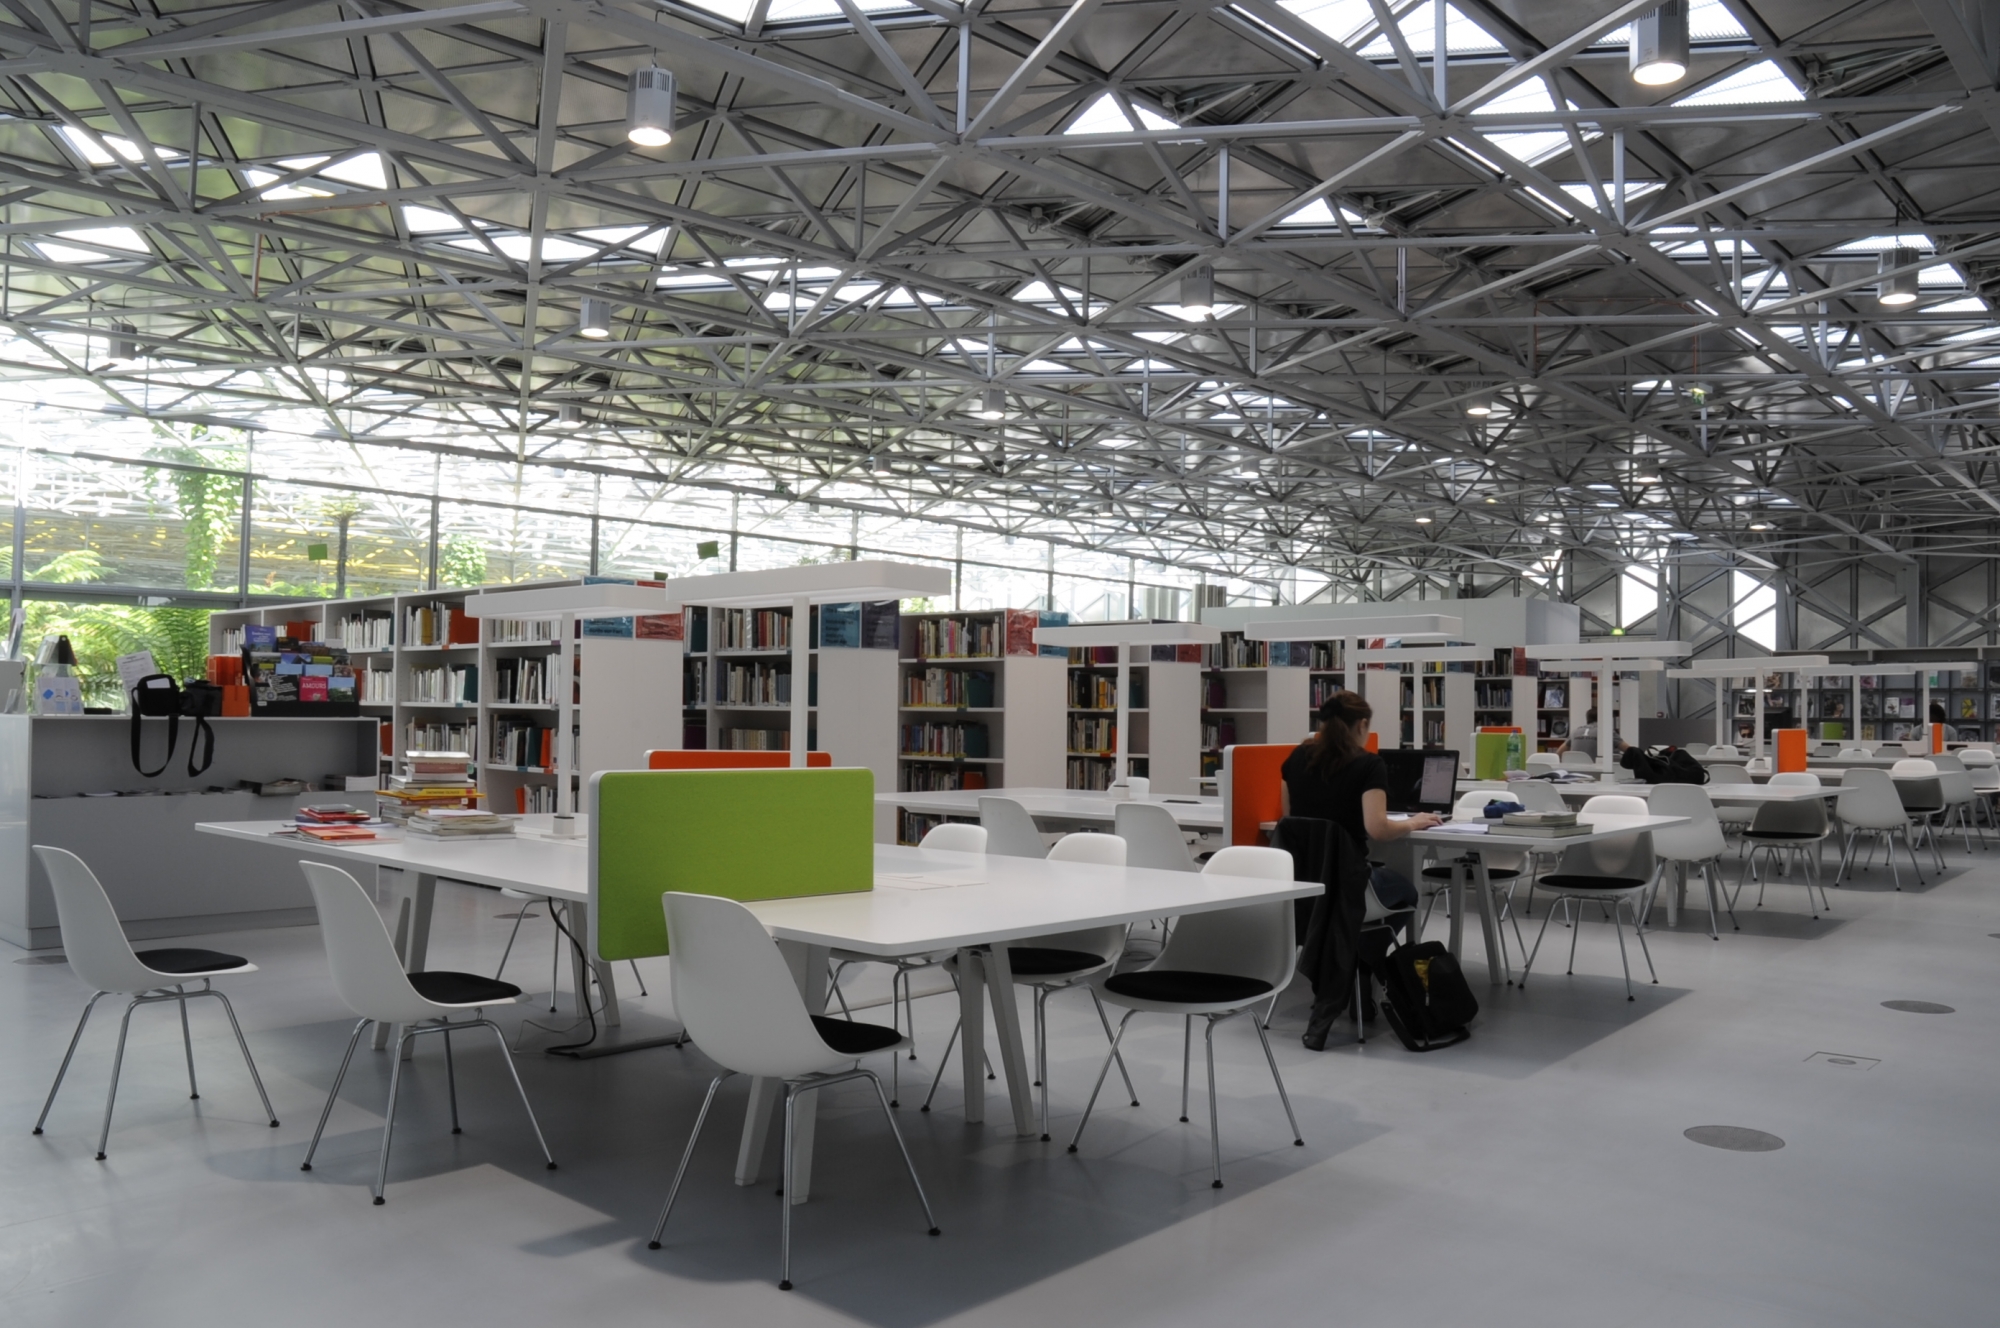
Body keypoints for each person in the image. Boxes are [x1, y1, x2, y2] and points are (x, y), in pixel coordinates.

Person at [1279, 691, 1437, 1017]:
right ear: (1363, 724)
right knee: (1406, 892)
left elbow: (1288, 820)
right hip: (1348, 886)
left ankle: (1348, 958)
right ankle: (1360, 960)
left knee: (1380, 887)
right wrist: (1412, 822)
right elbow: (1377, 829)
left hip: (1301, 888)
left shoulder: (1296, 758)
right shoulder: (1368, 765)